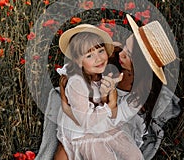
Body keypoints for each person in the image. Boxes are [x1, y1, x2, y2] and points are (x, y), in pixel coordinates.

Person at [35, 15, 180, 160]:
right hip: (87, 111)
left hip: (110, 119)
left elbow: (116, 119)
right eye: (126, 46)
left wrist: (108, 100)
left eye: (128, 54)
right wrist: (65, 90)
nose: (121, 53)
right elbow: (81, 65)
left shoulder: (139, 95)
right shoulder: (111, 56)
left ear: (141, 65)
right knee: (66, 148)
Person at [55, 23, 144, 160]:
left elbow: (110, 112)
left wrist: (107, 98)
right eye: (89, 55)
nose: (98, 58)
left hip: (103, 122)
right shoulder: (78, 81)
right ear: (78, 62)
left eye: (101, 51)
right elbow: (85, 121)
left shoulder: (99, 71)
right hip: (82, 130)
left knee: (134, 155)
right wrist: (108, 104)